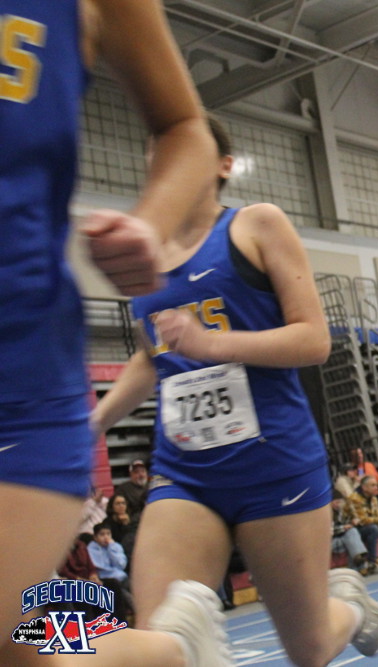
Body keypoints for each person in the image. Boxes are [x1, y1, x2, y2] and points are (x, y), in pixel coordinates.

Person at [92, 116, 378, 665]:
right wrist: (93, 425)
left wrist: (211, 345)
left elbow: (314, 339)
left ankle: (348, 605)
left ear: (223, 165)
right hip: (185, 472)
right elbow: (150, 357)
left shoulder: (255, 226)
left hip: (273, 466)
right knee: (160, 641)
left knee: (309, 649)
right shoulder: (145, 257)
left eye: (182, 149)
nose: (167, 163)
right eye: (157, 154)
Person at [0, 1, 233, 664]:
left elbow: (186, 126)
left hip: (19, 369)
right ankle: (167, 649)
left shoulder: (254, 228)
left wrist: (150, 225)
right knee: (18, 648)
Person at [87, 521, 134, 622]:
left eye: (108, 534)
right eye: (102, 534)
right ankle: (136, 611)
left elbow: (121, 564)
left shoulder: (115, 546)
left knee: (135, 587)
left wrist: (112, 548)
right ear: (95, 537)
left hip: (122, 577)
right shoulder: (92, 549)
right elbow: (99, 566)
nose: (106, 537)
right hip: (107, 579)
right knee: (124, 594)